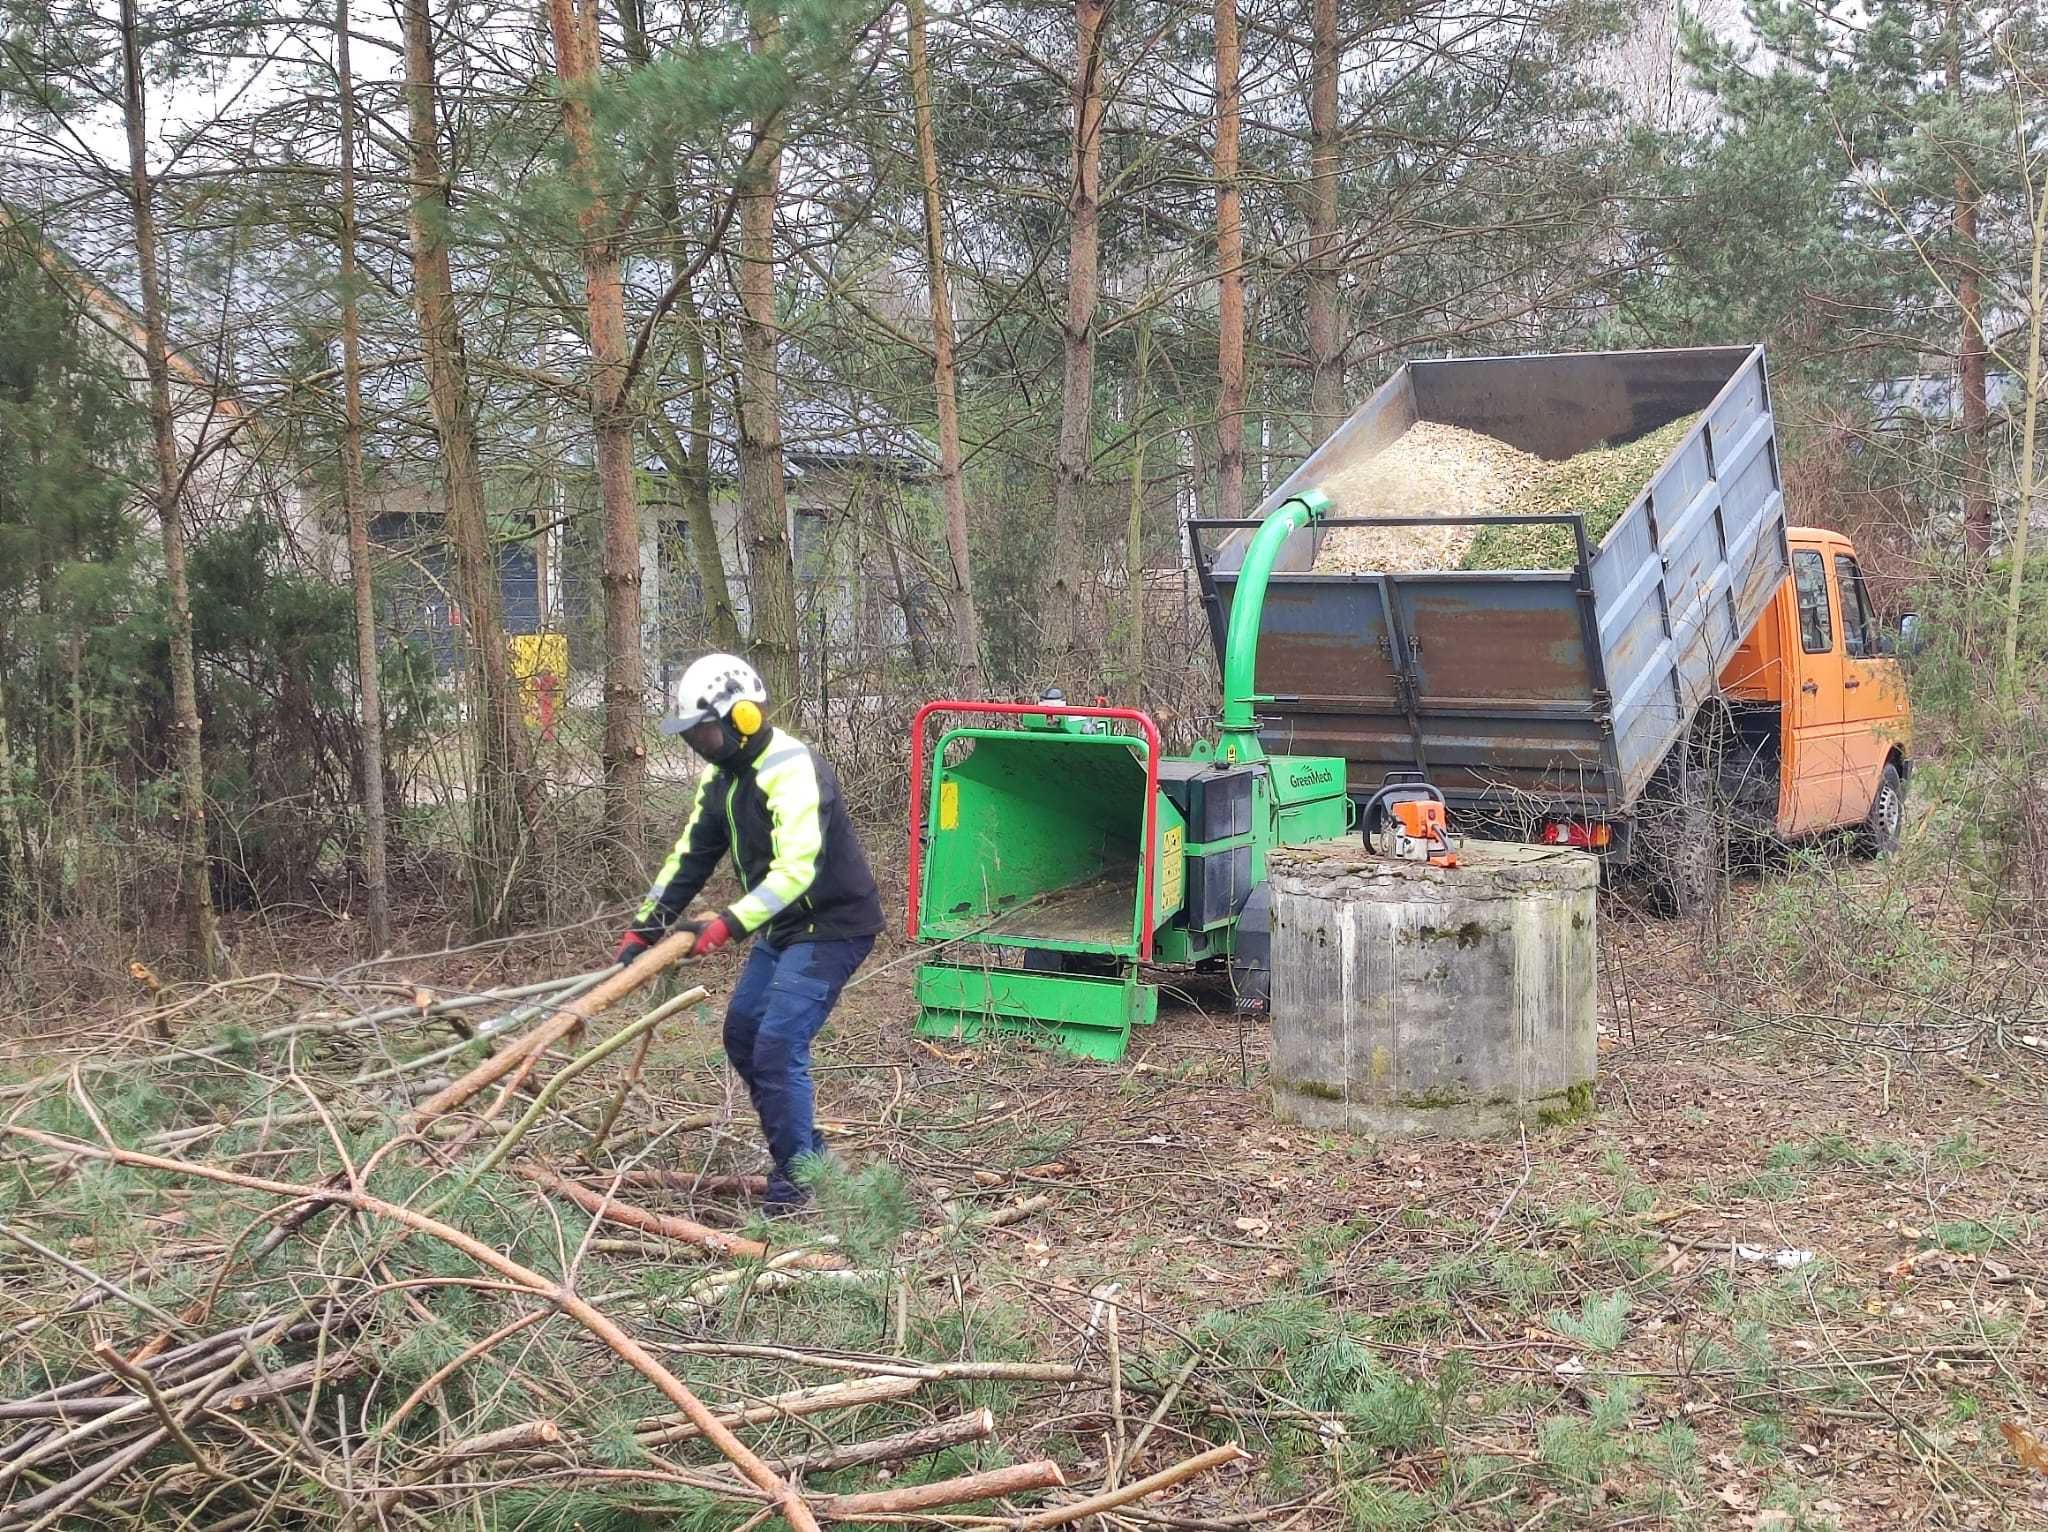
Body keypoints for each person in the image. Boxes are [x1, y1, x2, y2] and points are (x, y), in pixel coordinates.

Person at [615, 654, 883, 1213]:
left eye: (705, 732)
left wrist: (726, 925)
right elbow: (690, 856)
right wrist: (646, 929)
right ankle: (809, 1155)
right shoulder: (723, 780)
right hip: (784, 927)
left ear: (743, 717)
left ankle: (797, 1185)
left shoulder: (792, 768)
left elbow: (797, 869)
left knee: (779, 1043)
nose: (700, 745)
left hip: (833, 925)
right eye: (692, 737)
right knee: (742, 1034)